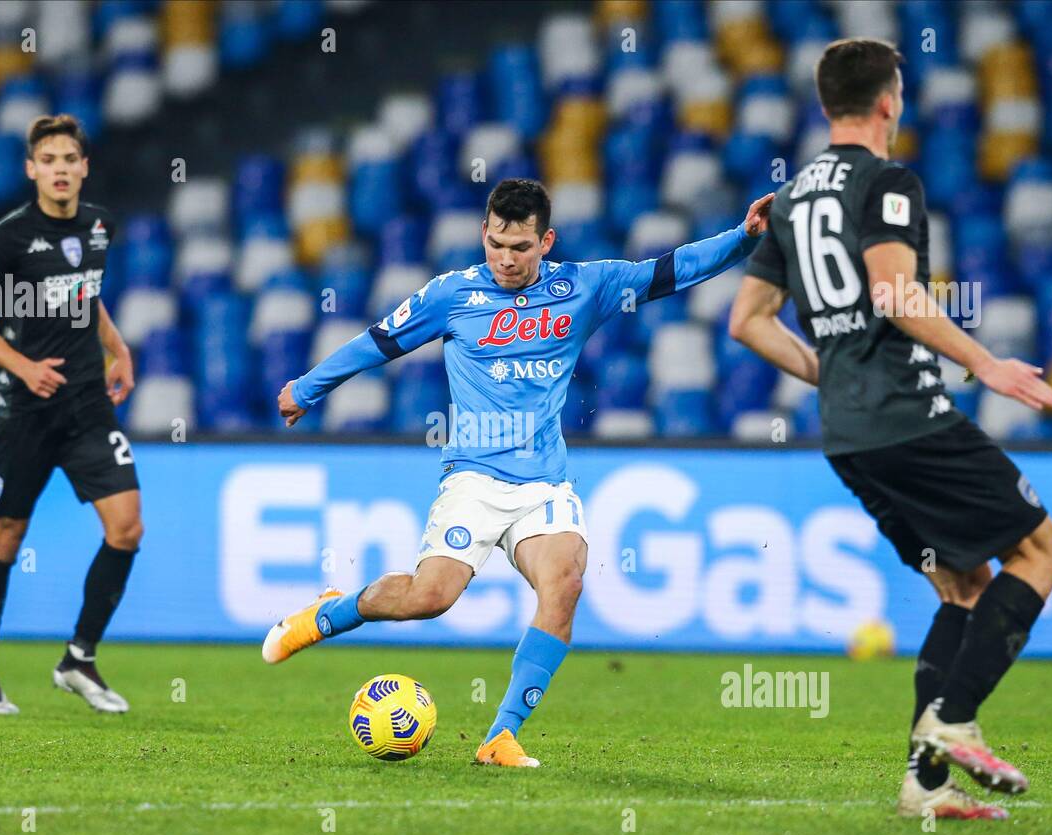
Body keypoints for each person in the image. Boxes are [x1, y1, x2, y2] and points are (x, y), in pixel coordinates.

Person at [267, 177, 773, 767]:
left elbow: (669, 270)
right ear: (484, 234)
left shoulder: (584, 286)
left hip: (545, 484)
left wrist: (742, 238)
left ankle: (501, 735)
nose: (506, 260)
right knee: (429, 599)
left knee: (565, 585)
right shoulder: (450, 296)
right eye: (497, 245)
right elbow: (376, 343)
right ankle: (331, 611)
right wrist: (307, 388)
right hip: (473, 480)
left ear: (546, 241)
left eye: (521, 248)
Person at [729, 39, 1052, 819]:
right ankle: (952, 722)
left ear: (824, 105)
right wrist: (986, 364)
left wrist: (829, 373)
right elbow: (894, 294)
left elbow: (749, 323)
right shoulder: (889, 181)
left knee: (964, 584)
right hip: (909, 417)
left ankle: (926, 786)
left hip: (847, 434)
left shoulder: (788, 200)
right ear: (890, 101)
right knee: (1042, 550)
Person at [0, 114, 141, 715]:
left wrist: (117, 348)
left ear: (84, 167)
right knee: (7, 536)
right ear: (31, 169)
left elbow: (86, 295)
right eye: (49, 160)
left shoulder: (99, 225)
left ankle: (79, 659)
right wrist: (23, 367)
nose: (60, 169)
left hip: (87, 404)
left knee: (127, 527)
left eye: (70, 159)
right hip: (26, 410)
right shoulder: (7, 238)